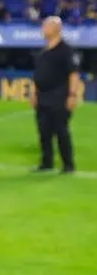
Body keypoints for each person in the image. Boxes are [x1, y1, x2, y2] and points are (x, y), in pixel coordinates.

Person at [31, 16, 80, 173]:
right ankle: (47, 162)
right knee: (43, 131)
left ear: (56, 28)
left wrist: (72, 95)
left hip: (59, 96)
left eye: (46, 26)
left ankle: (68, 164)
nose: (43, 29)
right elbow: (37, 74)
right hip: (42, 96)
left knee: (61, 131)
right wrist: (34, 93)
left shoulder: (66, 50)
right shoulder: (43, 52)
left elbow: (74, 74)